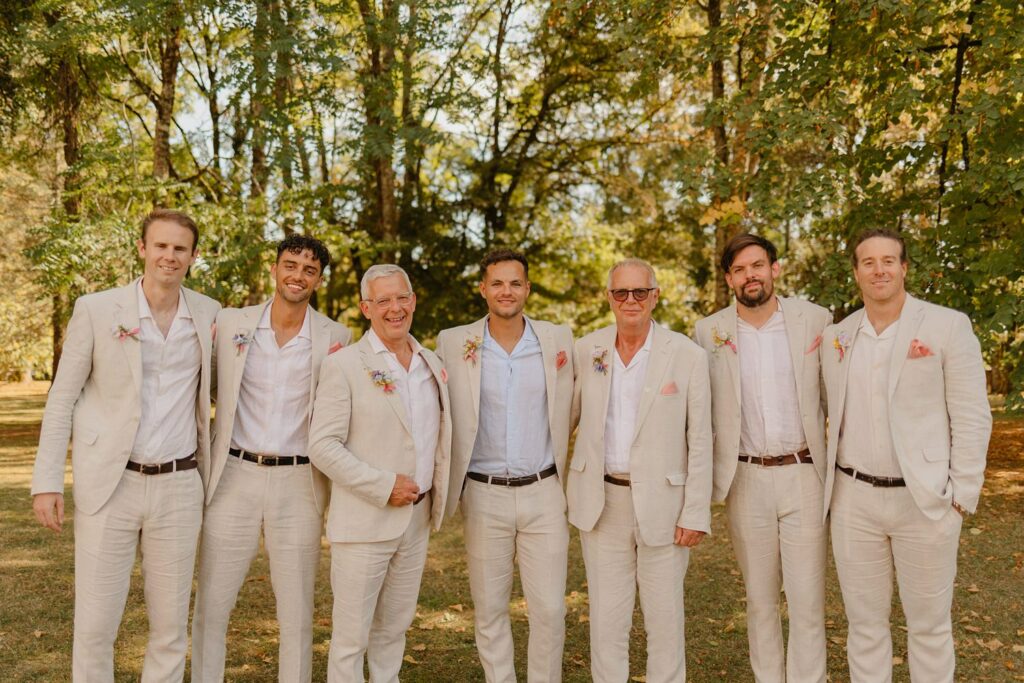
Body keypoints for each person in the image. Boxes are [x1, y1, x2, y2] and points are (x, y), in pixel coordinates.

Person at [31, 209, 220, 681]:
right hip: (110, 483)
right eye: (161, 246)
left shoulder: (210, 314)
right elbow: (62, 397)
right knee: (96, 626)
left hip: (179, 485)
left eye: (180, 248)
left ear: (193, 256)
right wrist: (47, 481)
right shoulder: (96, 309)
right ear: (142, 249)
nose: (169, 256)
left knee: (170, 629)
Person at [822, 229, 991, 682]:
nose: (879, 270)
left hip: (925, 501)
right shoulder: (838, 336)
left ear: (904, 267)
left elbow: (972, 414)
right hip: (854, 500)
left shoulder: (946, 326)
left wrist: (961, 497)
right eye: (868, 262)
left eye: (888, 261)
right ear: (856, 272)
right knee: (864, 627)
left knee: (930, 627)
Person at [191, 234, 352, 682]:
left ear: (318, 280)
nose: (298, 275)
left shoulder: (337, 337)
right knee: (212, 603)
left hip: (299, 481)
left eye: (309, 270)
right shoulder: (231, 323)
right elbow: (204, 384)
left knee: (297, 610)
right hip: (233, 474)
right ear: (275, 269)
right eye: (290, 265)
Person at [567, 258, 712, 683]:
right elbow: (564, 421)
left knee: (664, 623)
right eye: (621, 292)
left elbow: (701, 438)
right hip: (602, 502)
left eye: (640, 292)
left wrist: (695, 511)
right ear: (609, 297)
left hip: (666, 506)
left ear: (655, 296)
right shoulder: (587, 350)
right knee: (607, 623)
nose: (630, 300)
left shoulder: (687, 355)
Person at [695, 233, 831, 683]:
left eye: (757, 265)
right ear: (729, 279)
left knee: (807, 600)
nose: (749, 275)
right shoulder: (708, 332)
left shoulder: (815, 320)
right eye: (739, 269)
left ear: (774, 269)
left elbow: (835, 396)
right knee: (760, 600)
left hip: (805, 473)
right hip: (745, 477)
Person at [436, 249, 574, 683]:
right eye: (497, 283)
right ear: (483, 289)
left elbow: (576, 404)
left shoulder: (558, 340)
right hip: (483, 493)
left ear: (527, 288)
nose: (506, 291)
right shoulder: (453, 343)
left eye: (515, 283)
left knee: (549, 609)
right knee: (491, 608)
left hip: (545, 491)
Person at [308, 264, 452, 683]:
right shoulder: (345, 365)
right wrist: (384, 485)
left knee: (393, 631)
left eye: (402, 297)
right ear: (365, 308)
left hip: (416, 521)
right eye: (383, 300)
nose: (395, 308)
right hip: (364, 522)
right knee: (351, 639)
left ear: (414, 301)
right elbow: (322, 445)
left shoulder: (432, 364)